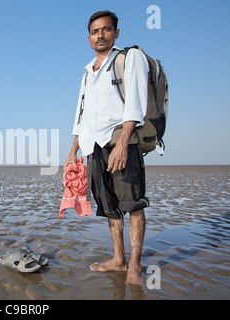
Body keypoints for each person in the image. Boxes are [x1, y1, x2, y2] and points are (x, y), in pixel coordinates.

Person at [64, 10, 149, 286]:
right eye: (95, 31)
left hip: (120, 140)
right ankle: (118, 259)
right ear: (89, 37)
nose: (100, 35)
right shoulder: (87, 73)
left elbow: (135, 104)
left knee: (133, 203)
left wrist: (123, 144)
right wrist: (72, 151)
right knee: (109, 206)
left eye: (106, 29)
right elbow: (81, 115)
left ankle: (135, 266)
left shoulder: (128, 58)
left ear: (116, 33)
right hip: (94, 146)